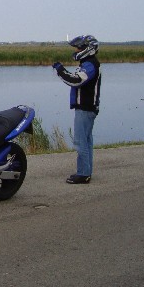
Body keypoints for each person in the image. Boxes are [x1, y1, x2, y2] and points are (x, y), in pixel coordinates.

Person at [53, 35, 102, 184]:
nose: (76, 50)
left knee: (81, 142)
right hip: (87, 108)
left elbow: (75, 81)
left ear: (87, 49)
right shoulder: (88, 63)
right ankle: (86, 172)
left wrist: (60, 70)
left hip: (85, 108)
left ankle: (83, 174)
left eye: (79, 47)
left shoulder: (90, 65)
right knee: (86, 141)